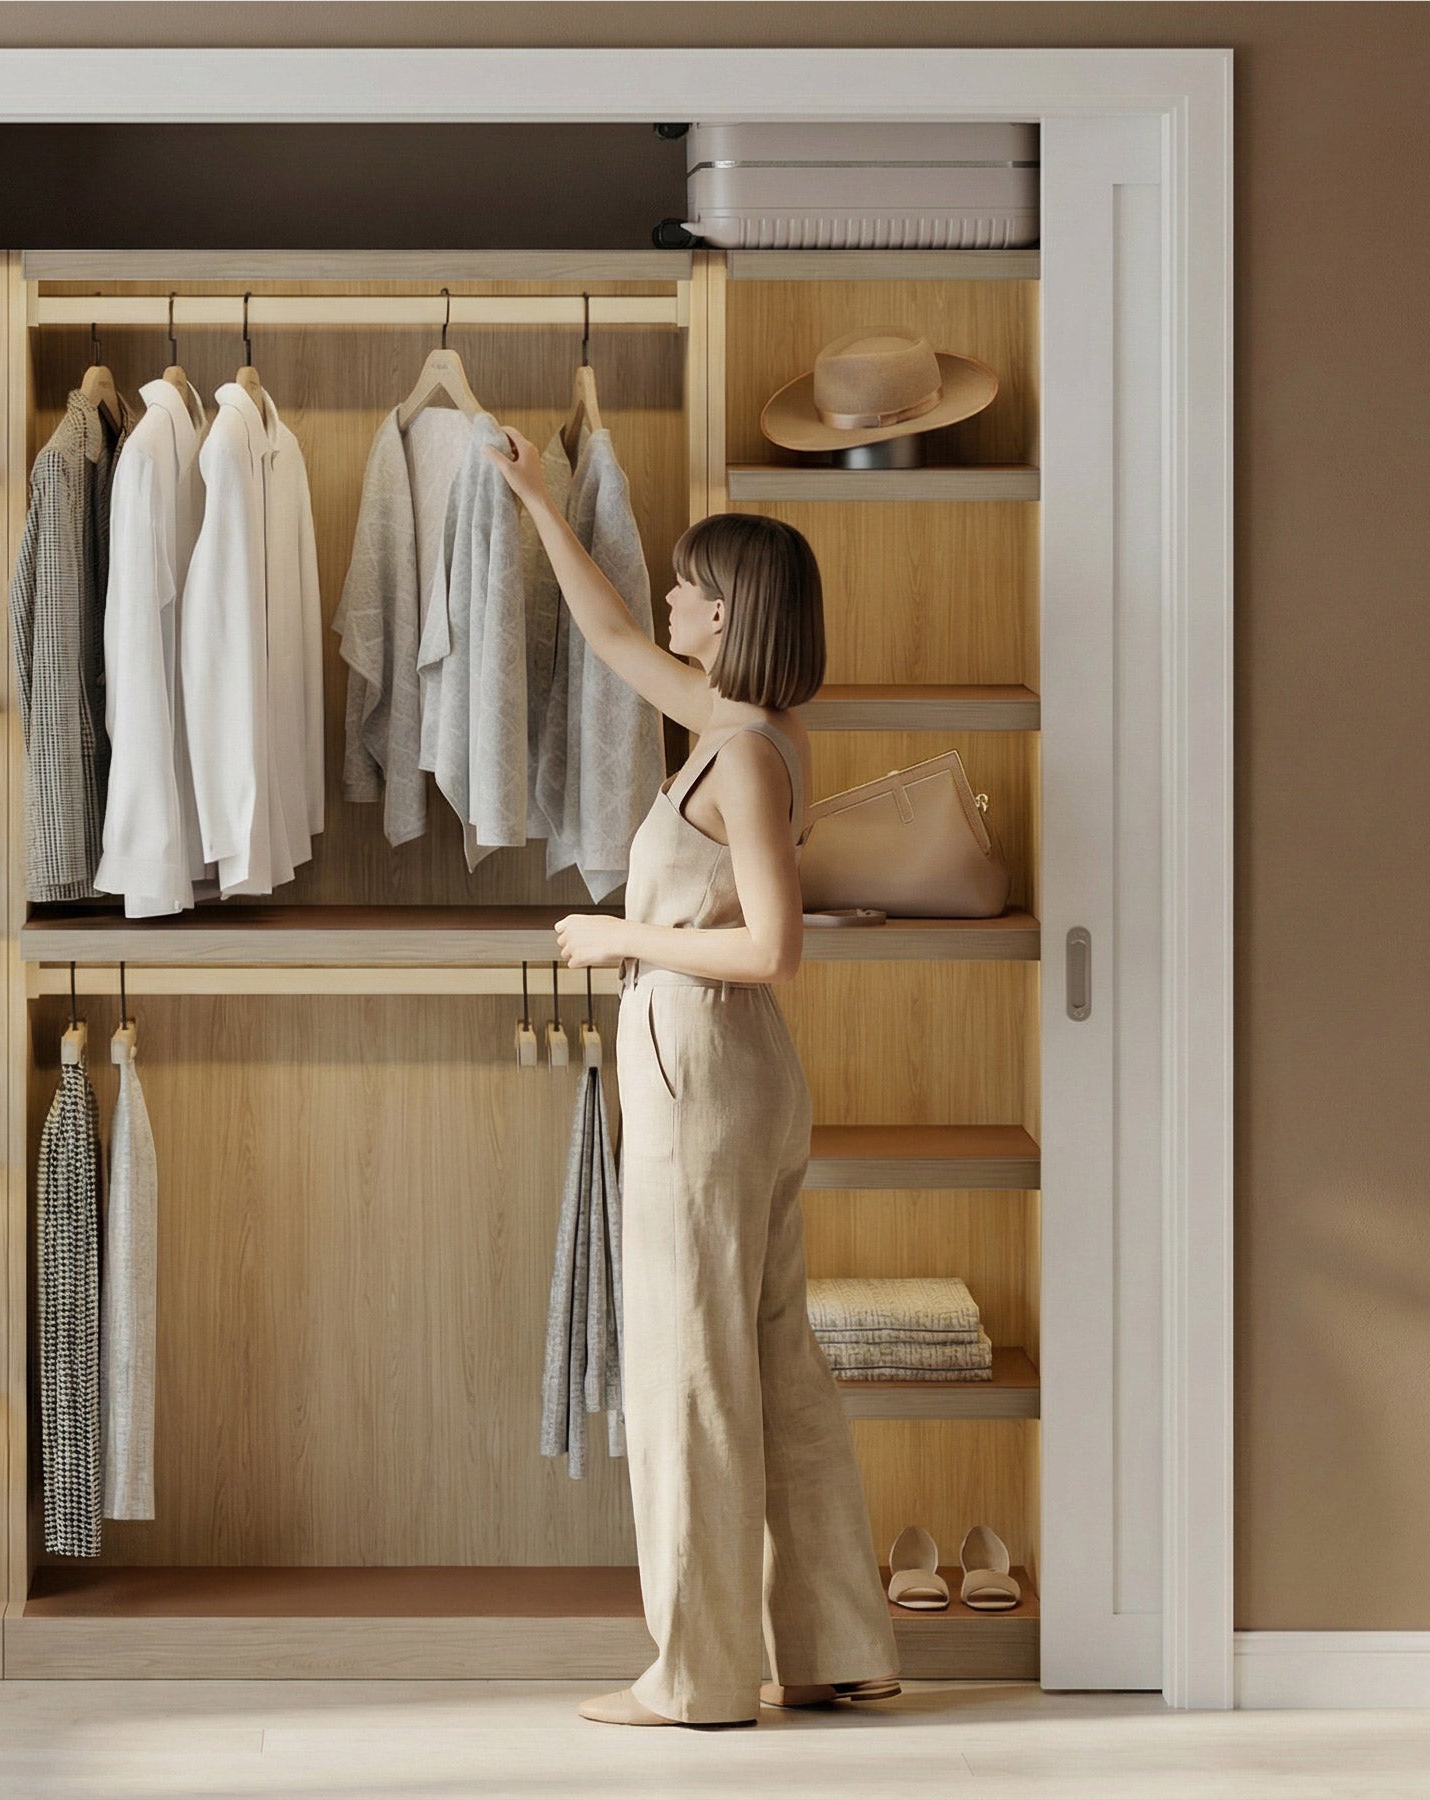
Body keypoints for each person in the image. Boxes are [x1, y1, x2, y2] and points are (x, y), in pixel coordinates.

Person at [484, 428, 902, 1728]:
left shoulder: (751, 763)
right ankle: (835, 1644)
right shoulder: (740, 727)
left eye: (682, 588)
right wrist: (538, 504)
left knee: (692, 1370)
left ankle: (700, 1677)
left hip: (703, 1074)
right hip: (737, 1083)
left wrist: (621, 936)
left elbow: (774, 949)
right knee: (775, 1365)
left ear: (723, 614)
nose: (666, 602)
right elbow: (612, 644)